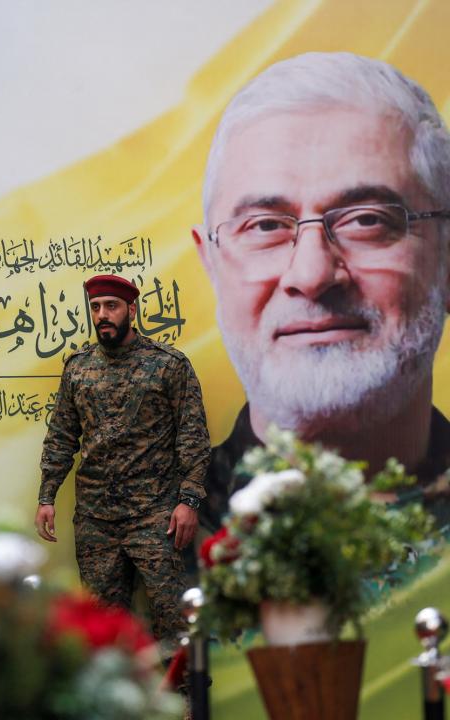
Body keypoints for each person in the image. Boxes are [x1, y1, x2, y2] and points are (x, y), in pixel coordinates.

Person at [191, 51, 450, 531]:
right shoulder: (139, 555)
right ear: (211, 263)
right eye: (265, 226)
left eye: (367, 220)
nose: (310, 275)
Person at [35, 274, 212, 652]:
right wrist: (47, 496)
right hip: (97, 521)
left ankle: (186, 704)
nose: (103, 315)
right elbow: (62, 437)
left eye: (111, 306)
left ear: (131, 309)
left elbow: (193, 440)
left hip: (156, 517)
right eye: (96, 307)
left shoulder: (168, 366)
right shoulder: (78, 368)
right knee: (102, 631)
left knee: (173, 619)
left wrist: (189, 501)